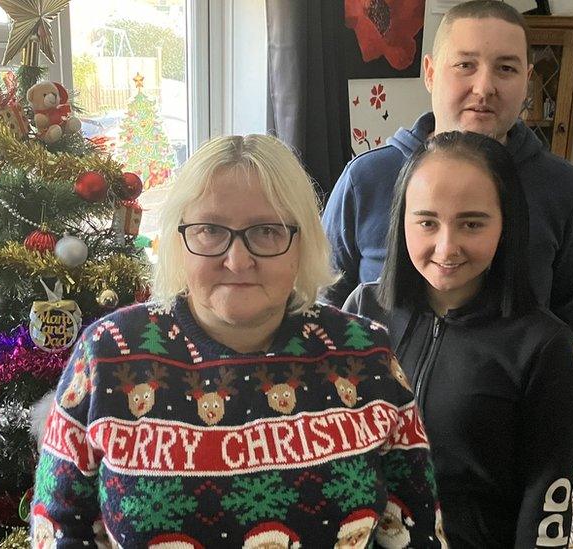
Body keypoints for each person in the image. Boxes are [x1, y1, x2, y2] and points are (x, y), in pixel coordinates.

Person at [31, 134, 447, 548]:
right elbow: (60, 532)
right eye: (211, 230)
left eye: (267, 231)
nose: (237, 260)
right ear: (179, 240)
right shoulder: (108, 353)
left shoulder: (366, 353)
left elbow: (415, 531)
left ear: (301, 243)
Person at [345, 131, 573, 549]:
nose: (446, 246)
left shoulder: (543, 346)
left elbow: (546, 503)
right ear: (402, 221)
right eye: (427, 222)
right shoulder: (363, 311)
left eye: (471, 223)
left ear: (506, 224)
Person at [324, 0, 573, 338]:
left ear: (527, 80)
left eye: (506, 69)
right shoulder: (365, 180)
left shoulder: (563, 189)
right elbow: (325, 299)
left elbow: (568, 316)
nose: (484, 88)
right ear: (430, 72)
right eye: (466, 64)